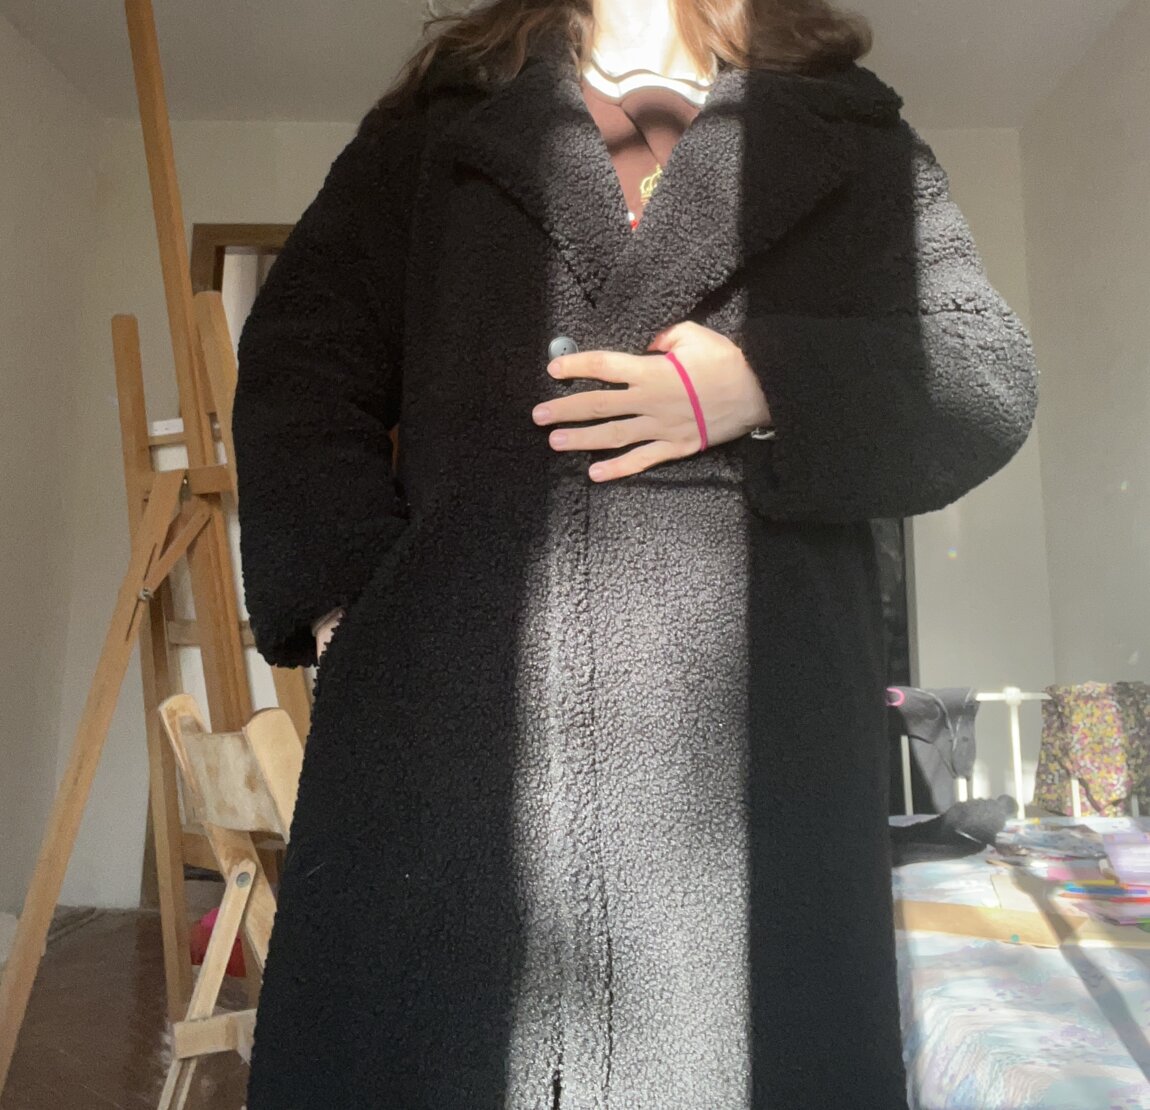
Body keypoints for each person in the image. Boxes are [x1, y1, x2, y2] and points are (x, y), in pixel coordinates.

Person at [231, 0, 1038, 1106]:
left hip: (761, 741)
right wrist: (350, 617)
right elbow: (300, 355)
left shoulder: (851, 132)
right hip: (455, 724)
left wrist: (758, 383)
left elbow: (983, 371)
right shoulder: (442, 120)